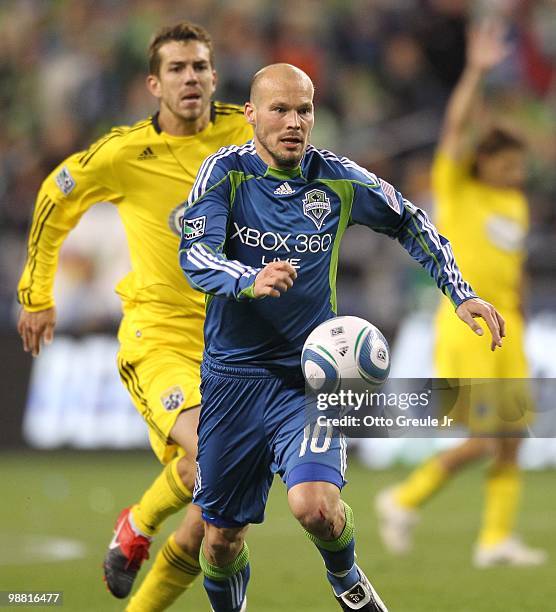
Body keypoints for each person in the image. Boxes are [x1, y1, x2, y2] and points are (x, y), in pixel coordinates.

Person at [178, 62, 504, 612]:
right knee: (221, 539)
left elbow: (410, 220)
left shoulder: (337, 178)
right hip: (233, 380)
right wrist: (247, 278)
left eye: (303, 110)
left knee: (315, 506)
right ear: (252, 115)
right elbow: (194, 253)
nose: (293, 122)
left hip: (311, 377)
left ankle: (347, 578)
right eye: (279, 109)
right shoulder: (224, 174)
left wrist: (460, 291)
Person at [16, 21, 253, 610]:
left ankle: (138, 544)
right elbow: (55, 195)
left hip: (235, 342)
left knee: (216, 521)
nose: (190, 78)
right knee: (212, 454)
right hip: (160, 336)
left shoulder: (246, 129)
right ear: (154, 83)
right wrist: (35, 293)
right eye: (177, 69)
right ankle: (142, 521)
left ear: (215, 77)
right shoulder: (124, 153)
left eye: (199, 66)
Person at [375, 20, 547, 568]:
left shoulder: (515, 205)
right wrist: (477, 71)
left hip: (509, 328)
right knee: (485, 436)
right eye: (507, 165)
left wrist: (520, 304)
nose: (516, 173)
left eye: (520, 166)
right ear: (485, 164)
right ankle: (402, 499)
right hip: (468, 324)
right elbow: (455, 128)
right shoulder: (460, 188)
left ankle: (495, 539)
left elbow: (513, 265)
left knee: (513, 435)